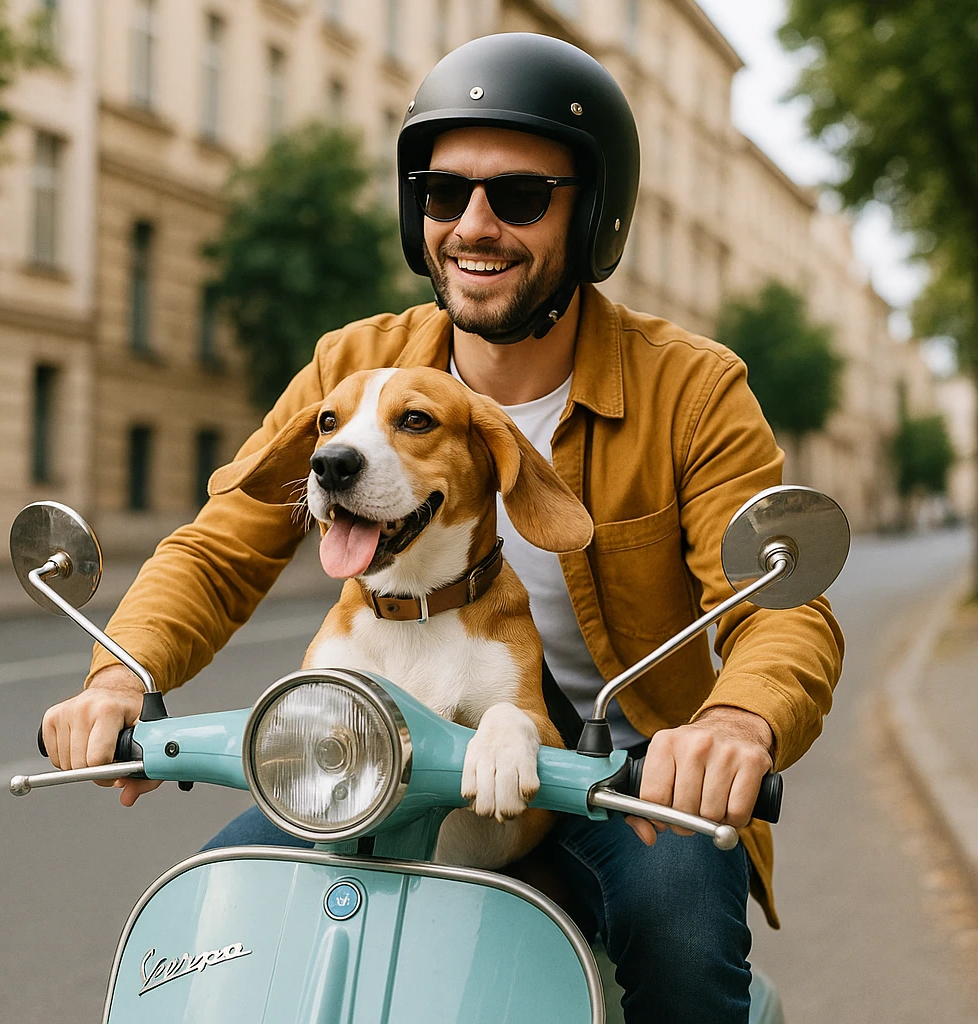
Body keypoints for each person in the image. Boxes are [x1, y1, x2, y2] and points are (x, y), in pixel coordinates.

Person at [42, 33, 843, 1023]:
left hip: (628, 780)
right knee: (217, 936)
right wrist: (122, 673)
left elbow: (780, 606)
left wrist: (733, 723)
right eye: (440, 191)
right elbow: (223, 540)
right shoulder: (360, 365)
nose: (472, 225)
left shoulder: (692, 388)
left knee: (679, 947)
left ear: (591, 212)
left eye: (515, 196)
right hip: (380, 761)